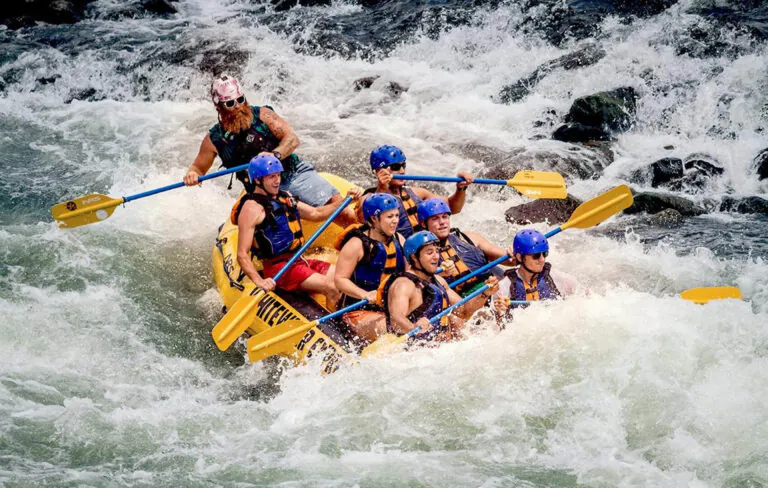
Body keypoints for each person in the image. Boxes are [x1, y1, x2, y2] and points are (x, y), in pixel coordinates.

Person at [184, 74, 355, 225]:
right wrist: (192, 174)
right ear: (219, 106)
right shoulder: (214, 139)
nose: (237, 106)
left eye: (240, 100)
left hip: (291, 175)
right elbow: (198, 168)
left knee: (342, 210)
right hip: (259, 192)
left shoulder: (263, 115)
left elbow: (292, 139)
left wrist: (274, 155)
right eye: (230, 103)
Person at [232, 154, 360, 307]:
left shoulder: (284, 197)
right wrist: (260, 281)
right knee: (332, 287)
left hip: (299, 260)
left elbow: (316, 213)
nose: (277, 180)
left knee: (343, 278)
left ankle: (338, 312)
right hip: (279, 268)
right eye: (271, 177)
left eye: (278, 175)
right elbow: (242, 253)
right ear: (258, 180)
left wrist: (345, 200)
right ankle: (334, 328)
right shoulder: (252, 208)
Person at [382, 231, 498, 342]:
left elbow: (463, 312)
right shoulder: (403, 285)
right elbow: (396, 320)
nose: (436, 256)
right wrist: (413, 327)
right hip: (415, 353)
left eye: (436, 251)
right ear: (414, 257)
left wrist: (485, 294)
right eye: (429, 252)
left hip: (440, 349)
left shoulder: (438, 280)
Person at [333, 193, 407, 343]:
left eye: (396, 216)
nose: (395, 221)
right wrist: (364, 295)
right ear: (374, 219)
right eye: (389, 217)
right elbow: (340, 280)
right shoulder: (356, 244)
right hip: (357, 311)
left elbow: (408, 273)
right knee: (395, 328)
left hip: (391, 308)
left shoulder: (399, 239)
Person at [363, 145, 474, 238]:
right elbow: (359, 220)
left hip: (427, 248)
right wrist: (382, 189)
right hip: (404, 253)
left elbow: (453, 207)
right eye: (396, 167)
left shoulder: (417, 192)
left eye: (403, 165)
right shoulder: (368, 199)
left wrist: (460, 188)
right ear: (379, 171)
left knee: (472, 237)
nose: (402, 171)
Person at [417, 197, 517, 297]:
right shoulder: (421, 254)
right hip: (463, 302)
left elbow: (509, 260)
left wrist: (514, 253)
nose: (442, 222)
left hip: (494, 291)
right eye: (435, 218)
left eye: (445, 217)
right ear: (423, 224)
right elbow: (418, 283)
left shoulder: (467, 238)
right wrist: (439, 274)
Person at [493, 229, 579, 316]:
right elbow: (496, 326)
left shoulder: (555, 277)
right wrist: (499, 313)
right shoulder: (505, 286)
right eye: (536, 256)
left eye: (545, 253)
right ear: (519, 257)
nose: (542, 260)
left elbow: (585, 297)